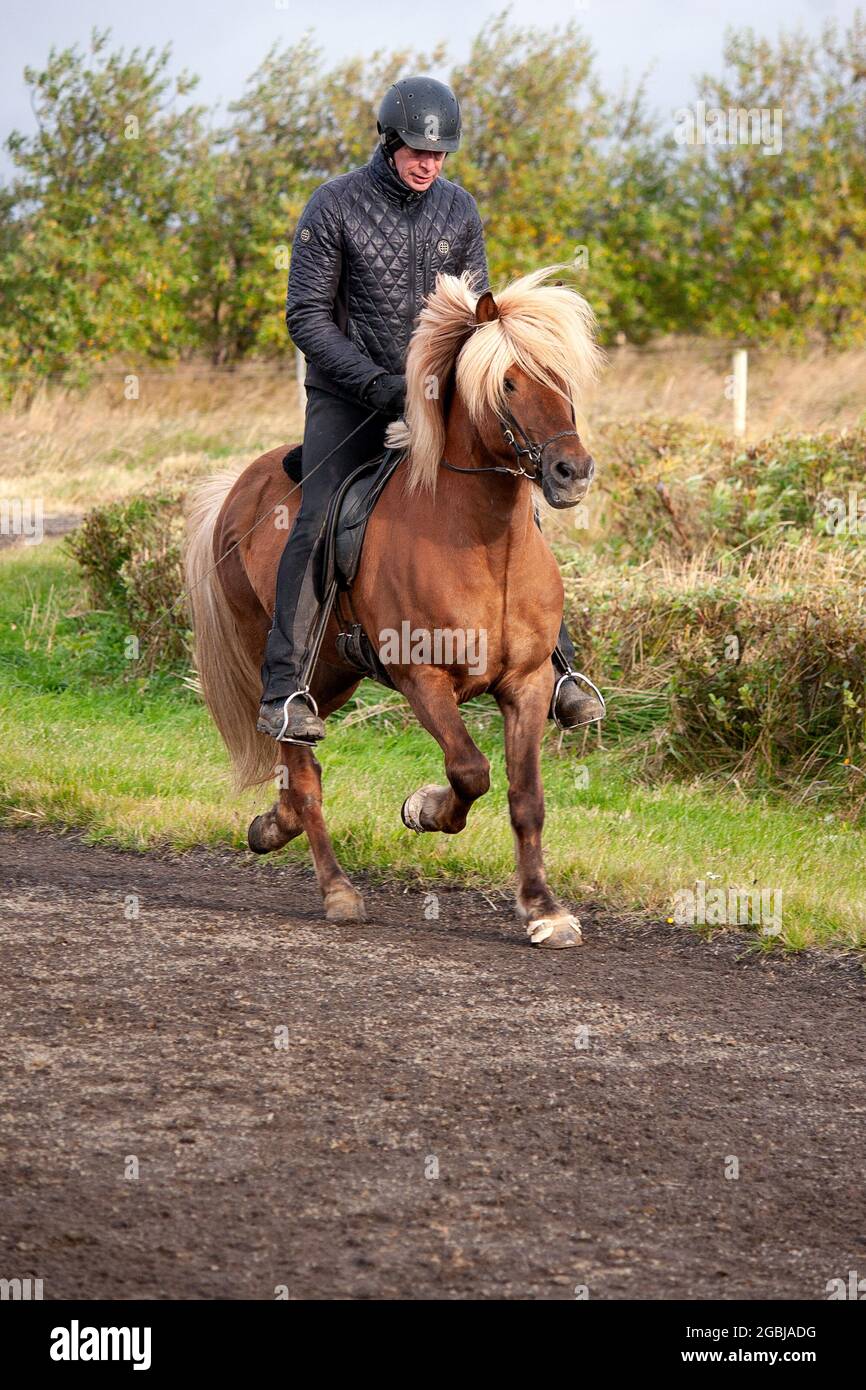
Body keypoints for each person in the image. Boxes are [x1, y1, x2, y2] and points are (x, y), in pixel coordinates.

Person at [257, 75, 604, 743]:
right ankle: (286, 689)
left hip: (441, 395)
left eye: (440, 156)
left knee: (511, 494)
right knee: (322, 513)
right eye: (418, 151)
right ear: (389, 143)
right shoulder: (333, 206)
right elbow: (306, 317)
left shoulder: (459, 210)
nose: (429, 165)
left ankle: (558, 668)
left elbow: (480, 314)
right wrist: (378, 384)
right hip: (349, 395)